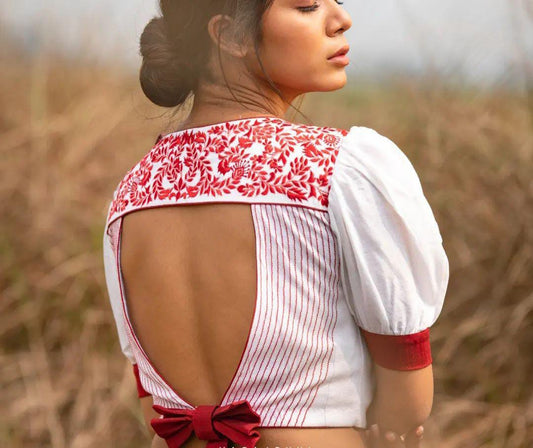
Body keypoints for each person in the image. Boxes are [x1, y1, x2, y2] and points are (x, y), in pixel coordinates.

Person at [102, 1, 449, 447]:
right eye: (306, 6)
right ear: (229, 36)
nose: (340, 20)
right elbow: (406, 385)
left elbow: (152, 397)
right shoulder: (340, 169)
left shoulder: (132, 194)